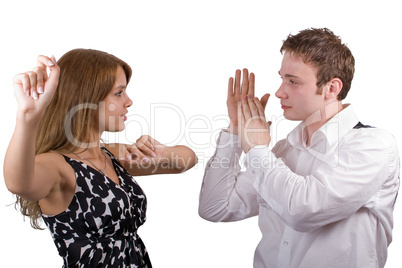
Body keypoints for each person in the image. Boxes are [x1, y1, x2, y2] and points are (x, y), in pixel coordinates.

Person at [199, 28, 400, 267]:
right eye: (282, 78)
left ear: (332, 88)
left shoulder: (373, 146)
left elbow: (303, 210)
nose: (279, 92)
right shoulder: (284, 151)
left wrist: (256, 150)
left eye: (293, 81)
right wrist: (235, 130)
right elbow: (215, 207)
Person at [4, 49, 197, 267]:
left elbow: (187, 160)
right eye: (119, 92)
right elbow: (18, 183)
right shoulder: (57, 165)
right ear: (86, 98)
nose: (129, 101)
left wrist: (163, 153)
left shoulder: (110, 155)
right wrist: (28, 116)